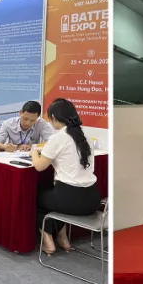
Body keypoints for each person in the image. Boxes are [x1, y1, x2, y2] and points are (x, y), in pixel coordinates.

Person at [31, 98, 100, 256]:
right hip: (92, 200)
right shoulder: (86, 136)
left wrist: (34, 152)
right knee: (54, 198)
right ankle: (63, 239)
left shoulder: (58, 137)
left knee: (36, 197)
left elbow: (39, 166)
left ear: (54, 117)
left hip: (69, 200)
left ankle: (48, 242)